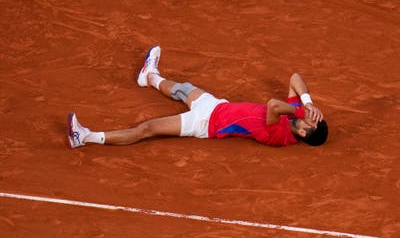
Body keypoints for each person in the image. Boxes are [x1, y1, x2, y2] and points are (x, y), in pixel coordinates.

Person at [67, 46, 328, 148]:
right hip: (216, 106)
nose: (308, 118)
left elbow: (274, 105)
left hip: (205, 125)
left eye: (311, 122)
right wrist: (308, 102)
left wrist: (302, 111)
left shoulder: (281, 135)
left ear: (304, 133)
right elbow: (294, 77)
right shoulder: (296, 116)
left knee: (146, 129)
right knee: (182, 88)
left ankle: (85, 137)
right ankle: (150, 76)